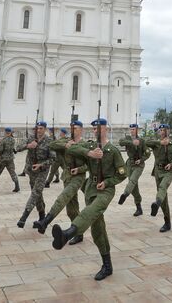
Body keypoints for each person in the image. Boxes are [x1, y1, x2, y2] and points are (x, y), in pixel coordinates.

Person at [51, 118, 127, 281]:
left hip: (106, 190)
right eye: (93, 129)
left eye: (98, 128)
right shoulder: (90, 146)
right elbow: (72, 150)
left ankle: (68, 233)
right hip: (91, 189)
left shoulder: (113, 151)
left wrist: (107, 182)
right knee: (97, 228)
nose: (95, 131)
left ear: (105, 129)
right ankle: (107, 265)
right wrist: (89, 153)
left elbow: (122, 174)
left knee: (90, 211)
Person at [33, 121, 87, 243]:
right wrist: (66, 145)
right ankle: (78, 233)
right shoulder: (66, 141)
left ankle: (45, 221)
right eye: (72, 128)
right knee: (71, 210)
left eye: (76, 128)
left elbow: (90, 164)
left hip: (78, 177)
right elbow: (52, 145)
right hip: (67, 176)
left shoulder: (86, 144)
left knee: (63, 197)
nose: (73, 130)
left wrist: (80, 169)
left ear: (81, 130)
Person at [145, 124, 172, 232]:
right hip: (158, 171)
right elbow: (145, 143)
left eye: (164, 130)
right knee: (164, 198)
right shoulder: (156, 143)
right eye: (161, 130)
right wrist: (159, 142)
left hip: (168, 171)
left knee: (162, 187)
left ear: (169, 131)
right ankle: (167, 222)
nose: (162, 132)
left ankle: (157, 203)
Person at [16, 121, 53, 228]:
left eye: (41, 128)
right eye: (38, 128)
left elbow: (53, 159)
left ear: (45, 129)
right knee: (37, 194)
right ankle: (42, 216)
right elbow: (18, 148)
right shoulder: (31, 138)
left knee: (35, 192)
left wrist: (41, 164)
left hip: (42, 171)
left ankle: (24, 217)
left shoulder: (49, 141)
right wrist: (28, 145)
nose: (39, 130)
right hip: (31, 171)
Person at [118, 123, 150, 216]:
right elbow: (120, 142)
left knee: (132, 180)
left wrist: (141, 159)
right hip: (129, 164)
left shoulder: (142, 141)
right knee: (134, 187)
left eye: (133, 129)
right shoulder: (127, 138)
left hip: (139, 165)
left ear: (137, 130)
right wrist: (132, 142)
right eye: (131, 129)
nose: (132, 131)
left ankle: (125, 194)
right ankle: (139, 208)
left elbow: (147, 153)